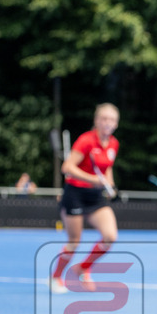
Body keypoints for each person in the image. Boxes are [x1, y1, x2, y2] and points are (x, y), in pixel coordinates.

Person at [52, 103, 120, 293]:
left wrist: (109, 185)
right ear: (97, 121)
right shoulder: (86, 140)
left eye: (112, 120)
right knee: (74, 241)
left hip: (96, 196)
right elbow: (67, 168)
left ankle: (83, 267)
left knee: (110, 236)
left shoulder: (114, 143)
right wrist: (93, 179)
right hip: (75, 194)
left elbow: (107, 167)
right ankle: (56, 277)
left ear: (116, 123)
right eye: (104, 119)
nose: (108, 123)